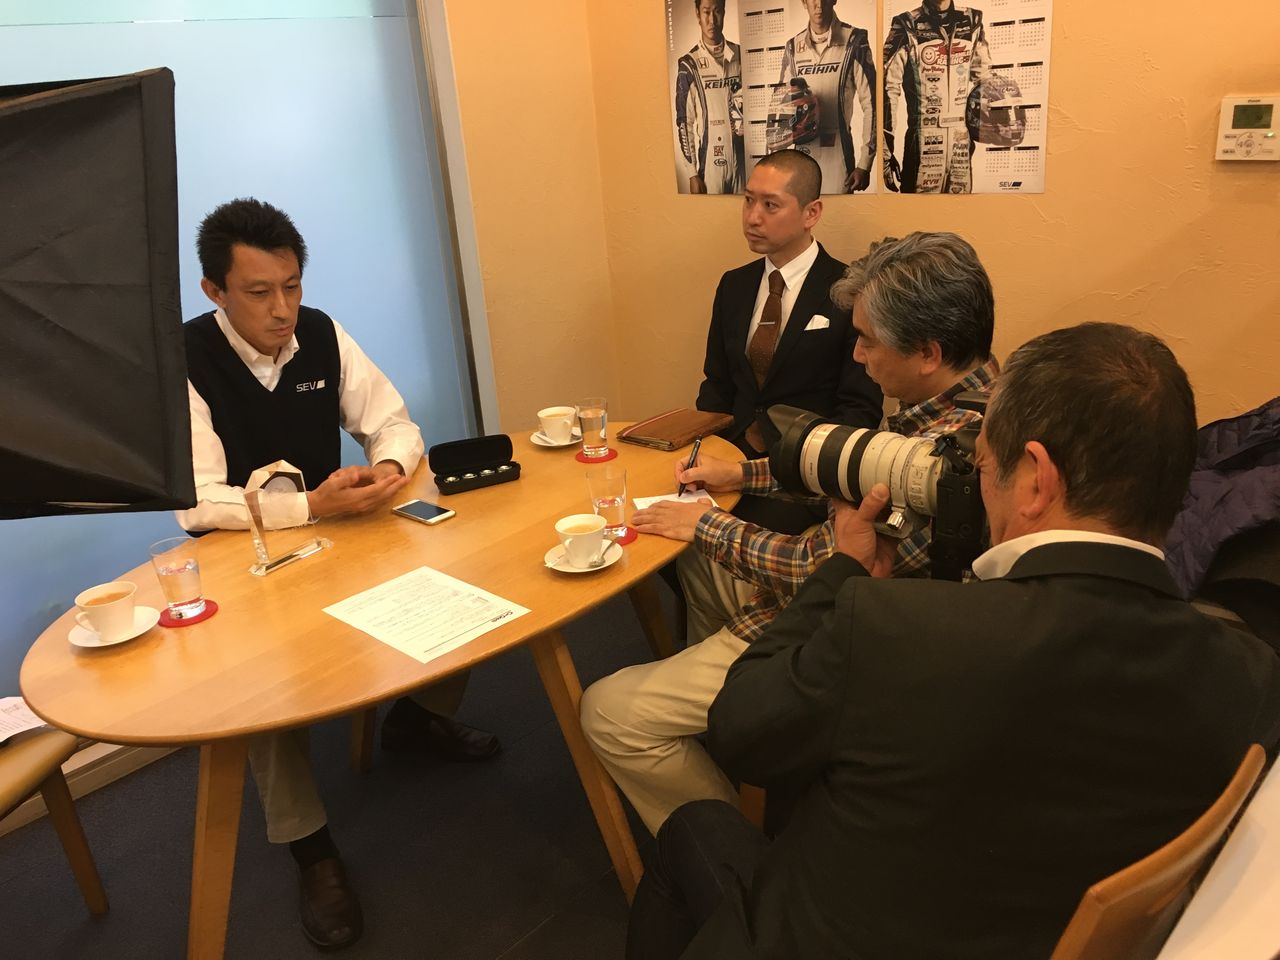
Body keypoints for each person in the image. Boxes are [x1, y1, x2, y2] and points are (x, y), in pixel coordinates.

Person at [626, 322, 1280, 960]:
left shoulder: (897, 627)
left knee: (694, 828)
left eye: (983, 466)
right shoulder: (1250, 676)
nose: (973, 488)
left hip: (835, 933)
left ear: (1037, 481)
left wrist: (840, 571)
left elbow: (740, 729)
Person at [583, 232, 998, 836]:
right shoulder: (969, 401)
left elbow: (824, 569)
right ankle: (735, 719)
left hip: (839, 636)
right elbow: (847, 464)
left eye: (867, 340)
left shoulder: (950, 463)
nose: (857, 355)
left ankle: (735, 851)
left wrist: (709, 523)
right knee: (696, 558)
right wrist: (739, 474)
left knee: (607, 710)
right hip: (854, 606)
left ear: (928, 352)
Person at [179, 198, 499, 950]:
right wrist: (308, 507)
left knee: (472, 585)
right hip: (247, 559)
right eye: (259, 292)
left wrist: (387, 465)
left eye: (291, 286)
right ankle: (311, 847)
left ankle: (416, 718)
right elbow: (195, 501)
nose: (282, 309)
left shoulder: (320, 332)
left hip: (337, 534)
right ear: (215, 291)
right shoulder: (185, 360)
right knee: (262, 694)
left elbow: (393, 421)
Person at [767, 0, 876, 193]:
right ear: (804, 2)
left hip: (838, 155)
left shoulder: (854, 40)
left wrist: (864, 164)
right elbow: (780, 105)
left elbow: (872, 104)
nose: (818, 4)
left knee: (837, 213)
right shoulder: (793, 47)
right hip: (801, 155)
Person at [883, 0, 990, 193]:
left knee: (959, 210)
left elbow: (984, 80)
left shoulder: (972, 21)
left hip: (960, 146)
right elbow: (888, 87)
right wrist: (885, 152)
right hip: (922, 143)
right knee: (917, 211)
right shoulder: (906, 24)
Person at [675, 0, 744, 194]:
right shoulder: (689, 64)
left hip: (743, 162)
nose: (712, 20)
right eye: (706, 12)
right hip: (711, 165)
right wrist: (692, 174)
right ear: (697, 14)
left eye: (717, 11)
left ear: (724, 12)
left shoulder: (740, 54)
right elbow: (684, 122)